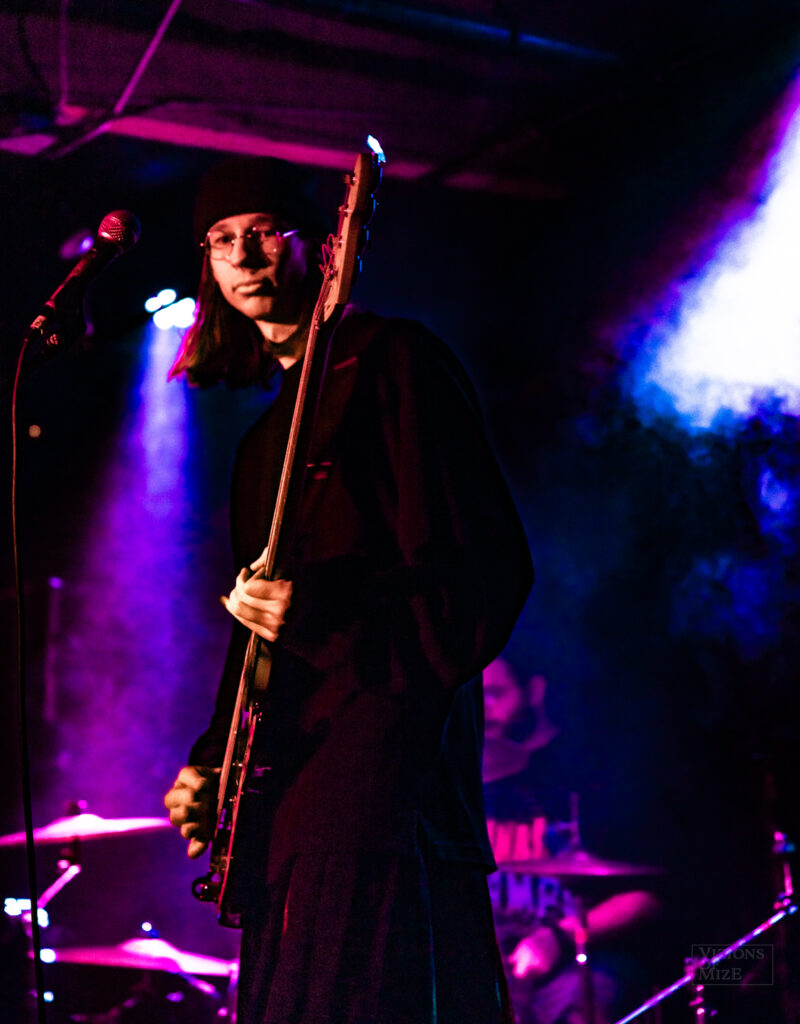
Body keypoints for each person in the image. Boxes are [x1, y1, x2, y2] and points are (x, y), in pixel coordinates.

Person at [162, 156, 533, 1024]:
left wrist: (329, 615)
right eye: (221, 240)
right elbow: (257, 640)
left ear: (323, 247)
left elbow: (484, 572)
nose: (244, 256)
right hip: (288, 802)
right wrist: (215, 763)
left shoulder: (397, 362)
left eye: (264, 231)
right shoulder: (262, 442)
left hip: (385, 794)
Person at [482, 658, 661, 1024]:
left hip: (577, 955)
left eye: (495, 694)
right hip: (490, 958)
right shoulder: (466, 778)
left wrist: (559, 939)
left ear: (535, 690)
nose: (484, 710)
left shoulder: (588, 775)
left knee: (582, 999)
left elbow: (644, 899)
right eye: (475, 699)